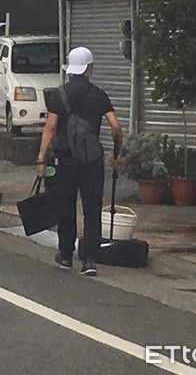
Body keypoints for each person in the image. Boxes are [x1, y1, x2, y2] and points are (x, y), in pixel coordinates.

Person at [36, 47, 122, 276]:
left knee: (65, 206)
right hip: (91, 160)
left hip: (62, 159)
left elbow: (51, 127)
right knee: (92, 210)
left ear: (70, 68)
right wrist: (117, 154)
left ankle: (65, 255)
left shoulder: (59, 94)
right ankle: (90, 260)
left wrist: (41, 157)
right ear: (89, 68)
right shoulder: (99, 95)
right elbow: (115, 126)